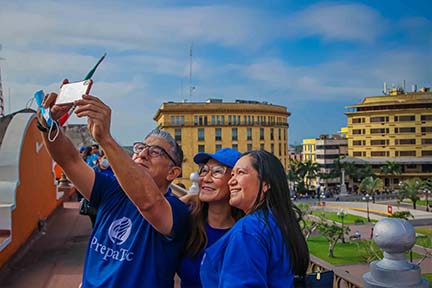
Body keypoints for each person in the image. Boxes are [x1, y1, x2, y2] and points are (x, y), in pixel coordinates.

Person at [37, 90, 189, 287]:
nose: (143, 154)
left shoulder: (177, 211)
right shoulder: (112, 190)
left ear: (173, 173)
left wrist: (105, 139)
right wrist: (48, 122)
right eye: (139, 148)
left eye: (155, 152)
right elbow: (69, 160)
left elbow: (149, 203)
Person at [200, 150, 310, 287]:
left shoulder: (248, 230)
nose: (231, 181)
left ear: (266, 183)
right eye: (232, 174)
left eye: (241, 173)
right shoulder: (277, 222)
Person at [177, 148, 243, 288]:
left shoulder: (245, 232)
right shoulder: (188, 220)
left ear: (234, 180)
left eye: (217, 171)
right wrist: (186, 199)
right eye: (204, 170)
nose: (205, 178)